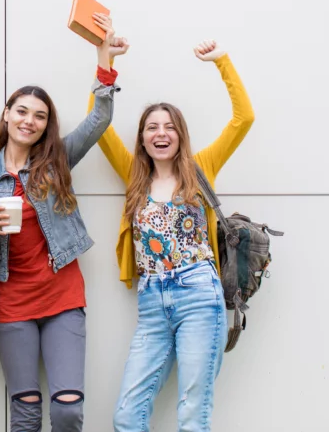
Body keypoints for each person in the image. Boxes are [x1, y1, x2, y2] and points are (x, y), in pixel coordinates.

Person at [0, 13, 126, 431]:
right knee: (25, 411)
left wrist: (103, 63)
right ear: (6, 114)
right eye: (21, 111)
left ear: (44, 126)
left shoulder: (56, 162)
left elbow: (98, 122)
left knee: (68, 409)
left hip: (62, 297)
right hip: (10, 302)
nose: (28, 121)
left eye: (38, 116)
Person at [94, 40, 255, 431]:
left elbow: (243, 119)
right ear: (143, 138)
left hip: (199, 294)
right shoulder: (134, 174)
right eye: (152, 127)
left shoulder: (202, 168)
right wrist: (104, 64)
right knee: (127, 416)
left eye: (169, 127)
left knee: (192, 412)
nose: (160, 133)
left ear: (180, 135)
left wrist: (222, 63)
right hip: (151, 302)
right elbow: (98, 127)